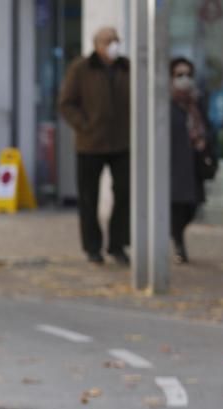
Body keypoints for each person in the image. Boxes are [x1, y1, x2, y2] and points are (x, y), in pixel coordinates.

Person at [58, 27, 131, 265]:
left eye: (116, 40)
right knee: (89, 198)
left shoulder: (126, 67)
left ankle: (118, 244)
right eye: (109, 41)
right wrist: (85, 125)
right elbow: (66, 103)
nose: (114, 45)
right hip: (90, 144)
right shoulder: (81, 68)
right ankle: (92, 247)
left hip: (121, 143)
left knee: (124, 193)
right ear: (98, 44)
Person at [169, 57, 214, 264]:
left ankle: (176, 236)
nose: (184, 79)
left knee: (192, 207)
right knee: (177, 208)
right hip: (174, 163)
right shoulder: (166, 103)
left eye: (188, 74)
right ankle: (178, 244)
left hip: (194, 161)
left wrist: (205, 144)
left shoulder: (197, 101)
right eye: (179, 75)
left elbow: (207, 126)